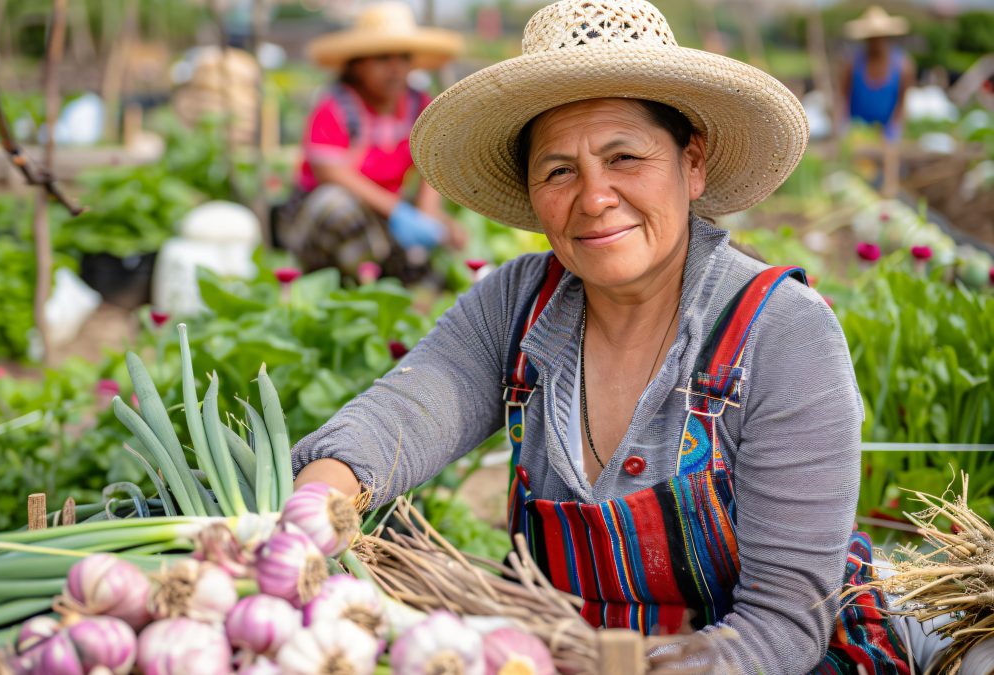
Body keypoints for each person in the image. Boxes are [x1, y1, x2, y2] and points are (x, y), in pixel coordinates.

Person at [293, 0, 909, 672]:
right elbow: (396, 422)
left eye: (625, 157)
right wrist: (307, 512)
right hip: (565, 653)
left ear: (692, 162)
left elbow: (782, 622)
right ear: (532, 193)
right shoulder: (517, 304)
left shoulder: (782, 332)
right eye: (559, 170)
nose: (594, 198)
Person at [277, 2, 466, 284]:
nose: (394, 68)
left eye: (402, 58)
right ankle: (358, 285)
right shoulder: (336, 107)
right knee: (337, 207)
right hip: (326, 223)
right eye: (382, 58)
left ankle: (406, 286)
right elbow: (330, 173)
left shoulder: (418, 105)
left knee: (450, 230)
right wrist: (399, 212)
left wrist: (428, 214)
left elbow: (431, 160)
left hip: (382, 214)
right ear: (356, 65)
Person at [838, 6, 915, 196]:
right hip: (858, 128)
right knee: (856, 175)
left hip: (885, 129)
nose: (875, 42)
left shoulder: (902, 66)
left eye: (879, 37)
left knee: (888, 166)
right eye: (871, 38)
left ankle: (889, 191)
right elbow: (842, 97)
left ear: (887, 38)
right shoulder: (853, 64)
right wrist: (843, 126)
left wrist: (893, 130)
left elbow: (902, 102)